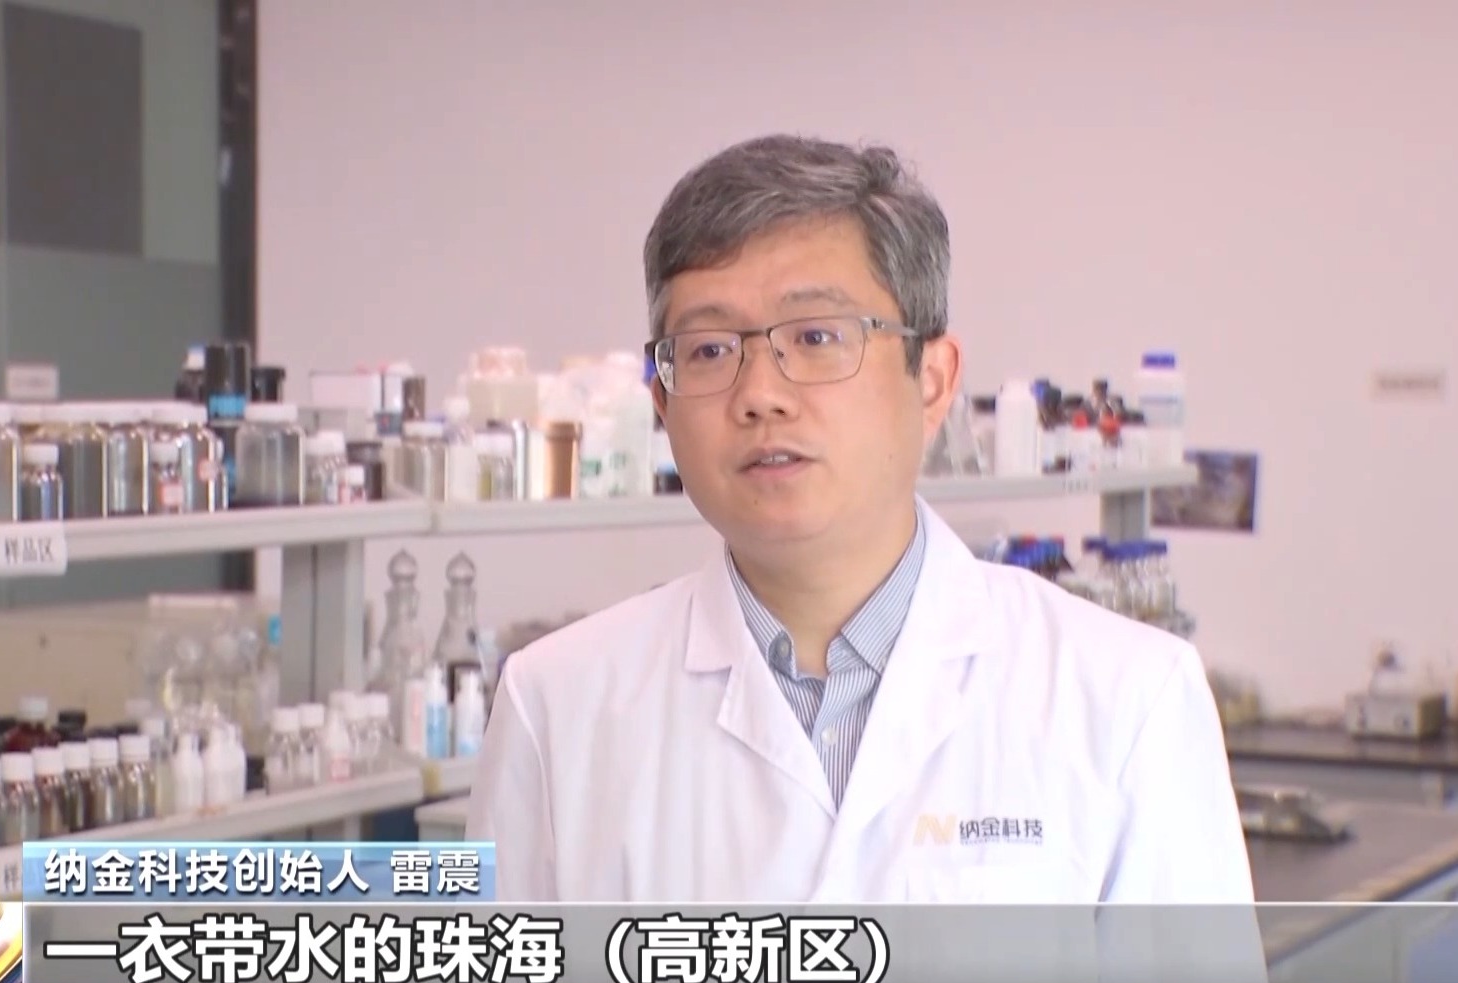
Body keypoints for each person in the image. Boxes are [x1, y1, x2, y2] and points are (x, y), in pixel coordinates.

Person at [466, 134, 1255, 909]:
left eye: (817, 337)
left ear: (932, 380)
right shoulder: (555, 705)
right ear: (662, 404)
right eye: (708, 350)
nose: (760, 394)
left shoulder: (1127, 697)